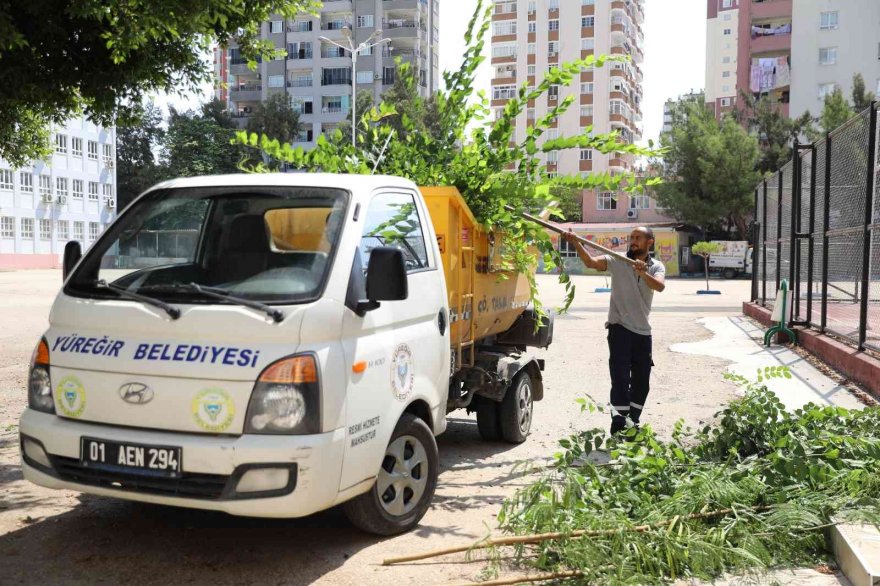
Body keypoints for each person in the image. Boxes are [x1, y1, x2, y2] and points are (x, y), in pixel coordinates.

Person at [563, 227, 666, 434]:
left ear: (650, 242)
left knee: (641, 382)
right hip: (619, 329)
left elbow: (660, 286)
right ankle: (618, 426)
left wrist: (642, 271)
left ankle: (633, 421)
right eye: (632, 238)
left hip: (643, 332)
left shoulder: (656, 266)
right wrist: (576, 243)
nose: (633, 241)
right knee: (620, 379)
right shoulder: (617, 260)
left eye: (638, 238)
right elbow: (591, 262)